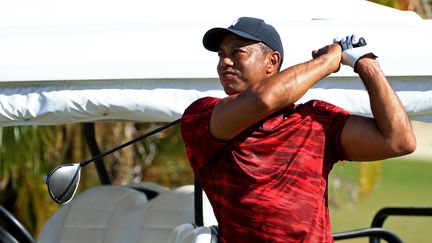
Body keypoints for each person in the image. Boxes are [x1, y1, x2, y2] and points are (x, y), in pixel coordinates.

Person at [180, 17, 416, 243]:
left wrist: (365, 62)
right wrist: (327, 62)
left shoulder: (315, 119)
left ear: (272, 62)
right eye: (221, 55)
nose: (225, 62)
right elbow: (263, 99)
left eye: (236, 52)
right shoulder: (201, 116)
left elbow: (399, 140)